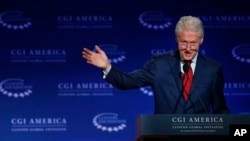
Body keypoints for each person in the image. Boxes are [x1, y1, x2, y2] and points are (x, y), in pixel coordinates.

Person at [82, 15, 230, 114]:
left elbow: (220, 110)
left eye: (193, 43)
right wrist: (107, 67)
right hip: (165, 136)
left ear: (201, 40)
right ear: (176, 38)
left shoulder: (213, 69)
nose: (188, 48)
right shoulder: (160, 63)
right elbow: (127, 81)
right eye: (184, 42)